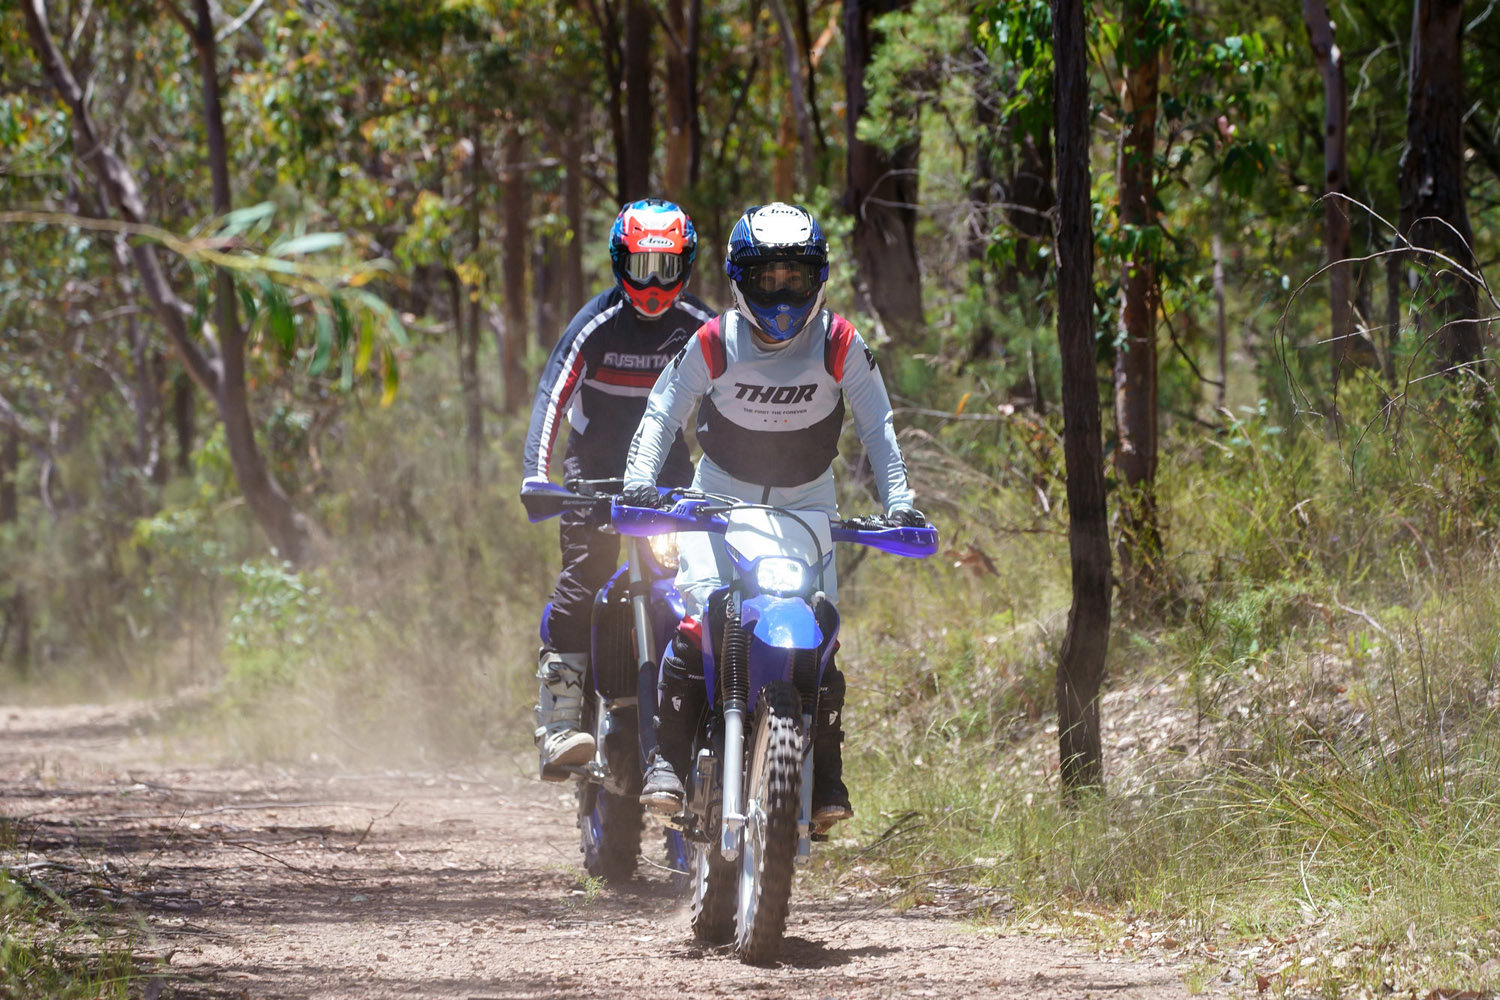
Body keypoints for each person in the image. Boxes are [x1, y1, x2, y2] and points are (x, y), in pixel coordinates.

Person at [619, 202, 926, 826]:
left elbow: (880, 429)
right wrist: (640, 485)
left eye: (796, 278)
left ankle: (826, 781)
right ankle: (669, 765)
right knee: (697, 622)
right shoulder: (714, 341)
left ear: (819, 279)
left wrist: (901, 504)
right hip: (716, 500)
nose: (782, 295)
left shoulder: (841, 344)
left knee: (821, 638)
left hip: (808, 503)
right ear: (740, 278)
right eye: (768, 279)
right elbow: (661, 413)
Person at [521, 199, 716, 780]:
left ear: (685, 265)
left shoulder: (701, 328)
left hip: (668, 475)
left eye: (667, 267)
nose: (653, 284)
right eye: (641, 266)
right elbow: (552, 396)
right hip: (594, 473)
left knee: (694, 588)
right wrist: (537, 474)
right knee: (583, 581)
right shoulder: (595, 324)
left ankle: (697, 713)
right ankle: (559, 721)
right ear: (618, 262)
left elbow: (733, 398)